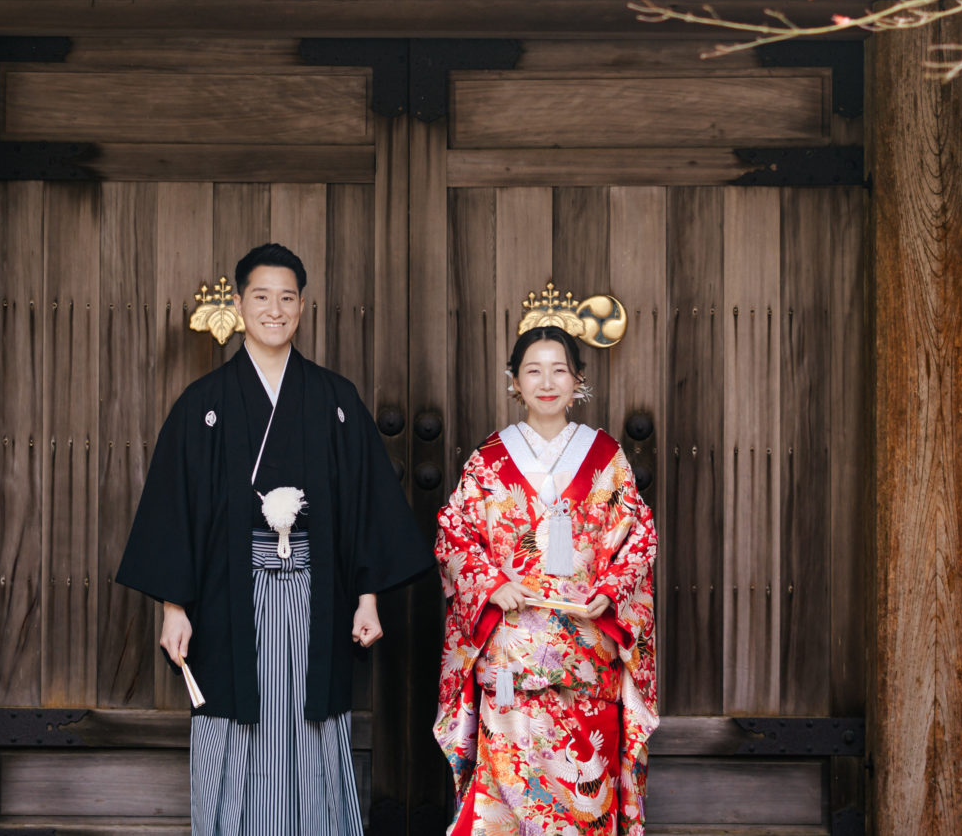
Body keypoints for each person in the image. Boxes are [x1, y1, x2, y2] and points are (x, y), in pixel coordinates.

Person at [116, 242, 432, 836]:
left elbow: (366, 501)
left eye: (287, 298)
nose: (275, 309)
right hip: (229, 597)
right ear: (240, 305)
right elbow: (175, 507)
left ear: (303, 307)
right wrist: (174, 608)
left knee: (312, 725)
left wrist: (367, 598)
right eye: (261, 297)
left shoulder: (335, 399)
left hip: (316, 595)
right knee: (235, 723)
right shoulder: (203, 404)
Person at [432, 325, 658, 836]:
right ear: (515, 381)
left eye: (560, 369)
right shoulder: (489, 460)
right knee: (509, 791)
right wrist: (491, 584)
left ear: (578, 379)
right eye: (534, 370)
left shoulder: (606, 457)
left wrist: (609, 591)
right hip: (512, 651)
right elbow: (455, 533)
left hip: (585, 650)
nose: (547, 381)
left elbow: (639, 537)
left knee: (586, 775)